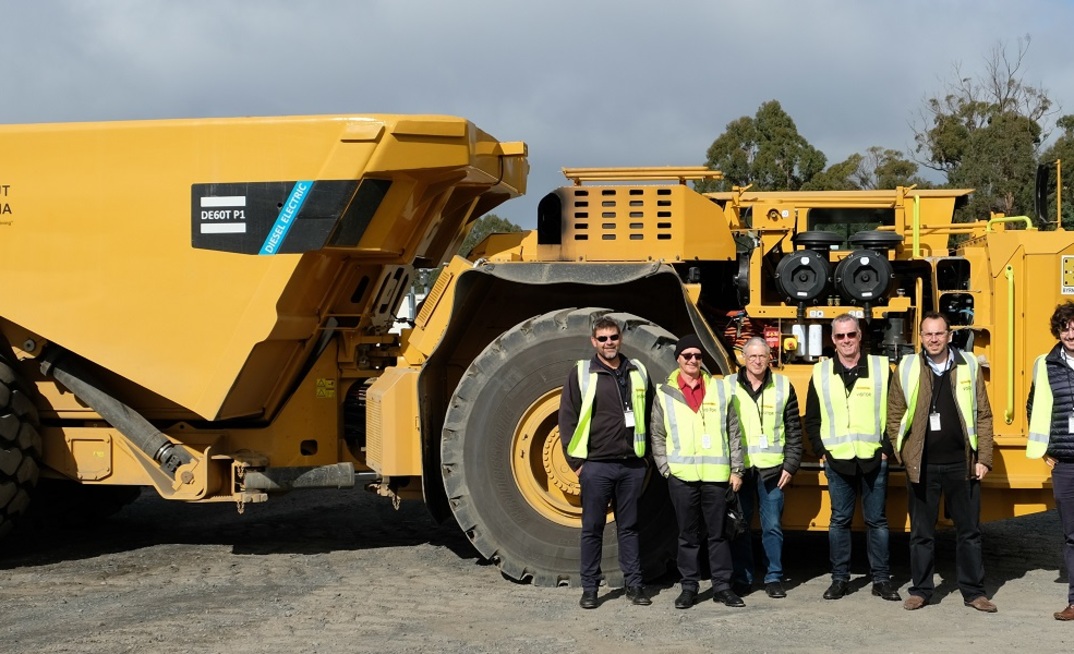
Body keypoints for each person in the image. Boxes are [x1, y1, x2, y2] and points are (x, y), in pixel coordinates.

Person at [888, 312, 996, 612]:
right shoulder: (908, 367)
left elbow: (983, 416)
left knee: (969, 532)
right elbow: (894, 414)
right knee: (922, 533)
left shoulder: (968, 365)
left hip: (963, 464)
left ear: (949, 335)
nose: (933, 339)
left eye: (939, 333)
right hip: (922, 465)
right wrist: (904, 454)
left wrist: (983, 458)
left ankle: (974, 592)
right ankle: (921, 590)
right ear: (920, 337)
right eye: (927, 334)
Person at [804, 314, 900, 602]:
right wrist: (822, 451)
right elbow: (812, 418)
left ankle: (881, 580)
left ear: (860, 336)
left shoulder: (882, 368)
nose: (846, 341)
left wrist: (886, 449)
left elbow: (896, 413)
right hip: (838, 460)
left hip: (874, 458)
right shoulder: (821, 373)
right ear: (832, 340)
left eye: (851, 335)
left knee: (877, 522)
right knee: (839, 521)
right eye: (840, 336)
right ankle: (839, 579)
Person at [558, 315, 651, 609]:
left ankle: (634, 586)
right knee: (592, 528)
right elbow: (568, 417)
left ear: (620, 338)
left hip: (630, 465)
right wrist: (576, 462)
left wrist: (645, 458)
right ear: (593, 342)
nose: (609, 343)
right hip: (596, 465)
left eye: (613, 337)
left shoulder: (637, 370)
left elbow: (649, 414)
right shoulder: (582, 373)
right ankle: (590, 589)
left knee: (630, 527)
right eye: (603, 338)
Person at [650, 334, 745, 609]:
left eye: (698, 355)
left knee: (719, 534)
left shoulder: (719, 390)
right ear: (678, 359)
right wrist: (666, 469)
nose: (693, 360)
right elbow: (657, 433)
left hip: (716, 476)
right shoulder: (664, 394)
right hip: (681, 476)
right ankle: (689, 587)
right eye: (687, 356)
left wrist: (736, 469)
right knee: (687, 536)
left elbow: (734, 433)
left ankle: (722, 587)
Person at [729, 336, 803, 599]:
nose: (757, 361)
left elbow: (794, 429)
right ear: (744, 359)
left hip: (773, 471)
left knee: (772, 527)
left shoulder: (783, 386)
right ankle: (743, 578)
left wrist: (791, 466)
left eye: (762, 356)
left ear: (770, 357)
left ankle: (773, 577)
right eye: (752, 357)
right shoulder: (728, 386)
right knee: (741, 526)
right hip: (741, 471)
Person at [1027, 301, 1074, 621]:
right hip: (1066, 462)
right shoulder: (1045, 364)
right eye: (1065, 327)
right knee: (1072, 536)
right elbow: (1034, 405)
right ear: (1058, 331)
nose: (1071, 333)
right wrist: (1044, 448)